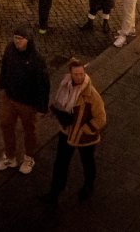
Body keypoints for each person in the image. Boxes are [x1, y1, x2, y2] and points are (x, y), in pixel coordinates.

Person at [40, 58, 107, 204]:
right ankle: (55, 191)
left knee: (87, 161)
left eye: (81, 73)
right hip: (67, 132)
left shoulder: (91, 95)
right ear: (70, 74)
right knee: (60, 163)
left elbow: (101, 118)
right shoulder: (65, 86)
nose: (79, 77)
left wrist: (85, 129)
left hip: (85, 136)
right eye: (76, 74)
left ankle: (89, 184)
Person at [0, 27, 50, 175]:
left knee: (29, 130)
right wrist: (3, 87)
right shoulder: (10, 50)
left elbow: (43, 84)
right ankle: (10, 157)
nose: (17, 41)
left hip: (27, 102)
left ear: (28, 40)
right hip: (9, 98)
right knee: (6, 125)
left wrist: (41, 107)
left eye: (21, 38)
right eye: (16, 38)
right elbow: (4, 67)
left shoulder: (36, 60)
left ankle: (28, 157)